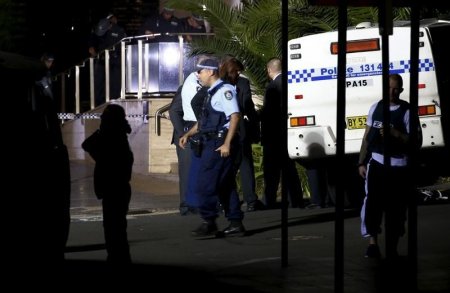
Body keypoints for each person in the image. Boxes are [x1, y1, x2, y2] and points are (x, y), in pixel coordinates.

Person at [358, 73, 422, 259]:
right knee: (372, 205)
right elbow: (366, 137)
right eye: (388, 88)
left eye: (396, 89)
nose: (392, 92)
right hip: (377, 163)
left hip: (399, 167)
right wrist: (361, 161)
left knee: (396, 209)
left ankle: (392, 247)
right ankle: (373, 244)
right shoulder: (375, 108)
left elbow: (416, 141)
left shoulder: (407, 111)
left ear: (401, 90)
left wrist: (396, 134)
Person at [179, 58, 245, 237]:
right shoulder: (211, 92)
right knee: (225, 184)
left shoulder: (224, 91)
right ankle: (235, 222)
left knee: (205, 183)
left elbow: (235, 116)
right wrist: (188, 134)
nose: (198, 75)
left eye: (200, 71)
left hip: (218, 144)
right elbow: (204, 121)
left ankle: (209, 221)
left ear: (210, 71)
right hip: (211, 141)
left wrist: (226, 143)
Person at [82, 104, 134, 264]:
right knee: (117, 228)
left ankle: (117, 259)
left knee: (113, 229)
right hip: (119, 188)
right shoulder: (119, 135)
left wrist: (99, 132)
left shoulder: (110, 136)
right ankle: (119, 258)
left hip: (113, 189)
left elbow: (87, 145)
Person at [219, 56, 265, 212]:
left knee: (229, 166)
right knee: (245, 165)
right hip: (240, 128)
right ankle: (250, 200)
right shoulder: (242, 83)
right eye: (237, 70)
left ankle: (225, 200)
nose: (239, 73)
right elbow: (248, 106)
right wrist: (254, 124)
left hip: (223, 129)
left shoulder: (219, 84)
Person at [260, 57, 304, 209]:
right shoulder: (291, 83)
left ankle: (269, 200)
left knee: (271, 170)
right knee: (289, 169)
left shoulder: (272, 87)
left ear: (269, 70)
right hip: (287, 133)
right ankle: (296, 199)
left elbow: (269, 112)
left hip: (273, 134)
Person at [169, 70, 207, 215]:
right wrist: (183, 134)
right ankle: (186, 206)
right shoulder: (186, 88)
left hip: (200, 135)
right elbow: (174, 111)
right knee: (187, 173)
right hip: (185, 136)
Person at [88, 13, 126, 106]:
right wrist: (92, 48)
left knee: (114, 84)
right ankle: (98, 104)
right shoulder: (98, 29)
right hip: (101, 59)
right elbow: (94, 40)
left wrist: (112, 54)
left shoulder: (119, 30)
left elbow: (123, 46)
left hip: (115, 61)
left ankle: (114, 104)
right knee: (98, 83)